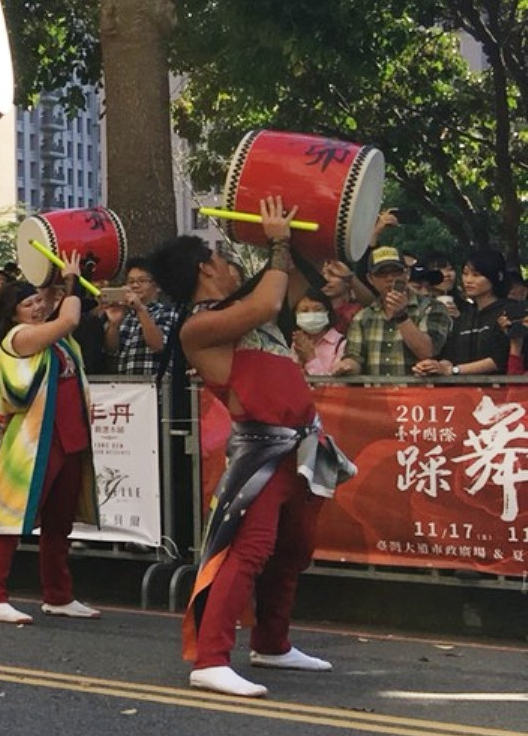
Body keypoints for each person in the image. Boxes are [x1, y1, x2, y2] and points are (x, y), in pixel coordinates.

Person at [153, 201, 354, 697]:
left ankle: (273, 642)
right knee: (249, 550)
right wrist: (278, 242)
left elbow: (293, 285)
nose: (228, 264)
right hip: (260, 452)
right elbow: (266, 302)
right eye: (220, 258)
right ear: (204, 267)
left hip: (301, 445)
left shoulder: (238, 309)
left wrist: (313, 235)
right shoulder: (198, 326)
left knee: (292, 551)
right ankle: (210, 658)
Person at [0, 277, 101, 625]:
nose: (35, 307)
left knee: (59, 523)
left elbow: (58, 311)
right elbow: (70, 319)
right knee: (10, 518)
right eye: (27, 304)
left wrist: (57, 284)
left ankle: (58, 595)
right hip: (32, 442)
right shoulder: (19, 338)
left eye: (37, 301)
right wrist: (73, 282)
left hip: (68, 436)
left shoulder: (52, 338)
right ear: (13, 314)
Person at [338, 246, 451, 377]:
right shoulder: (362, 317)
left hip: (418, 395)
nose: (390, 278)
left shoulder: (432, 307)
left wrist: (401, 316)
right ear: (370, 279)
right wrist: (346, 366)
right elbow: (355, 358)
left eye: (396, 271)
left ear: (407, 274)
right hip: (376, 395)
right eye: (381, 273)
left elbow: (427, 351)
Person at [417, 247, 513, 377]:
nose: (468, 280)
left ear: (498, 276)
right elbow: (450, 355)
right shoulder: (466, 314)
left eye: (476, 275)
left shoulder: (509, 311)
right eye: (465, 273)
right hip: (465, 393)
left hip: (499, 392)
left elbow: (500, 359)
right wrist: (433, 366)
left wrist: (454, 370)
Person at [102, 257, 177, 379]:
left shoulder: (167, 312)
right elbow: (111, 351)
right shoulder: (126, 316)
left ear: (158, 286)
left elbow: (158, 345)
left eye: (142, 280)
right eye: (130, 281)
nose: (135, 285)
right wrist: (114, 324)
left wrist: (141, 309)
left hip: (157, 389)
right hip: (129, 390)